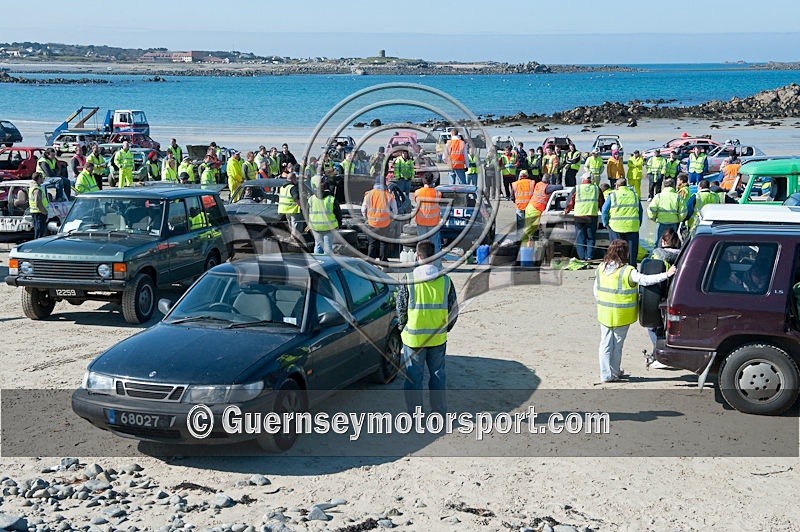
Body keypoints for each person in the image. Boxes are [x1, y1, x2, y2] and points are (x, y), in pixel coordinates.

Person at [594, 239, 676, 383]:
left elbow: (596, 290)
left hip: (604, 312)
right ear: (624, 253)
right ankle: (613, 372)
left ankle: (606, 374)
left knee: (605, 344)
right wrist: (666, 275)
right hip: (621, 315)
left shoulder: (601, 267)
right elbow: (645, 280)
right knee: (617, 345)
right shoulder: (628, 271)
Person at [396, 239, 459, 415]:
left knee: (414, 377)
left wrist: (403, 327)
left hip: (414, 339)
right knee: (438, 375)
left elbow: (400, 308)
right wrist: (446, 329)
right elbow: (453, 310)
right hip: (438, 338)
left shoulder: (409, 279)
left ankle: (415, 414)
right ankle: (439, 412)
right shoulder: (445, 281)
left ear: (417, 256)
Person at [645, 228, 682, 369]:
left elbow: (649, 275)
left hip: (658, 296)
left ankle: (659, 355)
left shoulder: (657, 255)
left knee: (653, 327)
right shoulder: (683, 256)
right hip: (675, 295)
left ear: (664, 241)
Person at [601, 178, 643, 267]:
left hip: (616, 226)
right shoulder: (634, 195)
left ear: (617, 185)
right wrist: (639, 223)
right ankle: (632, 267)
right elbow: (640, 211)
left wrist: (605, 223)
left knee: (616, 249)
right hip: (632, 226)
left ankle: (617, 266)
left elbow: (604, 210)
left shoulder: (613, 195)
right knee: (632, 250)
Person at [564, 175, 604, 260]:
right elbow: (601, 202)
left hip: (579, 216)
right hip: (592, 216)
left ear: (582, 180)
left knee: (580, 238)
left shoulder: (577, 188)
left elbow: (570, 201)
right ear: (591, 180)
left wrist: (566, 211)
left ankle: (582, 258)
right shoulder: (596, 188)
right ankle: (589, 257)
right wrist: (602, 211)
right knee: (591, 238)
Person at [361, 176, 398, 263]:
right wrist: (391, 219)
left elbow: (363, 209)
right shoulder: (388, 195)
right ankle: (383, 260)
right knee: (383, 243)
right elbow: (395, 210)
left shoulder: (369, 194)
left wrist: (366, 218)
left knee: (372, 243)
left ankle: (370, 261)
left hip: (372, 223)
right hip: (385, 223)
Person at [412, 174, 443, 267]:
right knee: (434, 246)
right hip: (433, 223)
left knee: (421, 245)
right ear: (432, 181)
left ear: (423, 181)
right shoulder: (437, 193)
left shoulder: (417, 193)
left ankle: (419, 264)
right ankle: (437, 266)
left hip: (421, 222)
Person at [647, 178, 686, 246]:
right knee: (672, 242)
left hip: (661, 222)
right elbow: (683, 211)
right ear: (673, 186)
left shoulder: (658, 196)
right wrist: (679, 219)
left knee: (659, 242)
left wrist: (654, 218)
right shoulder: (677, 197)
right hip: (673, 223)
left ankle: (657, 255)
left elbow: (651, 210)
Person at [307, 179, 342, 255]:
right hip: (329, 227)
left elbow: (306, 212)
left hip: (315, 227)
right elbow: (338, 214)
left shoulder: (311, 199)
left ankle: (318, 262)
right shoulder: (331, 199)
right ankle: (328, 263)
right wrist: (339, 224)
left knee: (318, 246)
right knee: (328, 248)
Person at [523, 175, 563, 240]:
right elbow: (560, 187)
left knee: (528, 227)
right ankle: (523, 241)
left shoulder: (538, 184)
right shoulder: (546, 187)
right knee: (532, 227)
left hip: (530, 206)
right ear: (549, 181)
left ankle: (526, 241)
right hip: (536, 209)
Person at [279, 172, 305, 239]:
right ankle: (295, 240)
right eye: (295, 179)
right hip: (293, 210)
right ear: (293, 179)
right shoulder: (292, 187)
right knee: (296, 227)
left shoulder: (282, 187)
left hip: (285, 210)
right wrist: (302, 207)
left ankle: (292, 238)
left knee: (291, 226)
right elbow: (296, 198)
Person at [28, 172, 48, 240]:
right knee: (40, 232)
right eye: (42, 178)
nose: (43, 179)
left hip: (35, 212)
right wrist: (44, 211)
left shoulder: (33, 187)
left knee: (38, 230)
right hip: (39, 213)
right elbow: (38, 203)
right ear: (39, 178)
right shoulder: (37, 189)